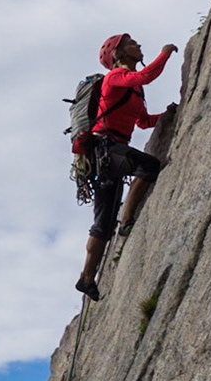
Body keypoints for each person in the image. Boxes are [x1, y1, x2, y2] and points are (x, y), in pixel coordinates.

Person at [76, 33, 177, 300]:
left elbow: (143, 122)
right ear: (119, 54)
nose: (138, 45)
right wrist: (165, 53)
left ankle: (86, 279)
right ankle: (128, 220)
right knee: (148, 165)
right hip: (106, 149)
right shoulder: (115, 78)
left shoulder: (134, 88)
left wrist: (168, 115)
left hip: (110, 154)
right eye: (131, 43)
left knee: (103, 224)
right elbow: (145, 76)